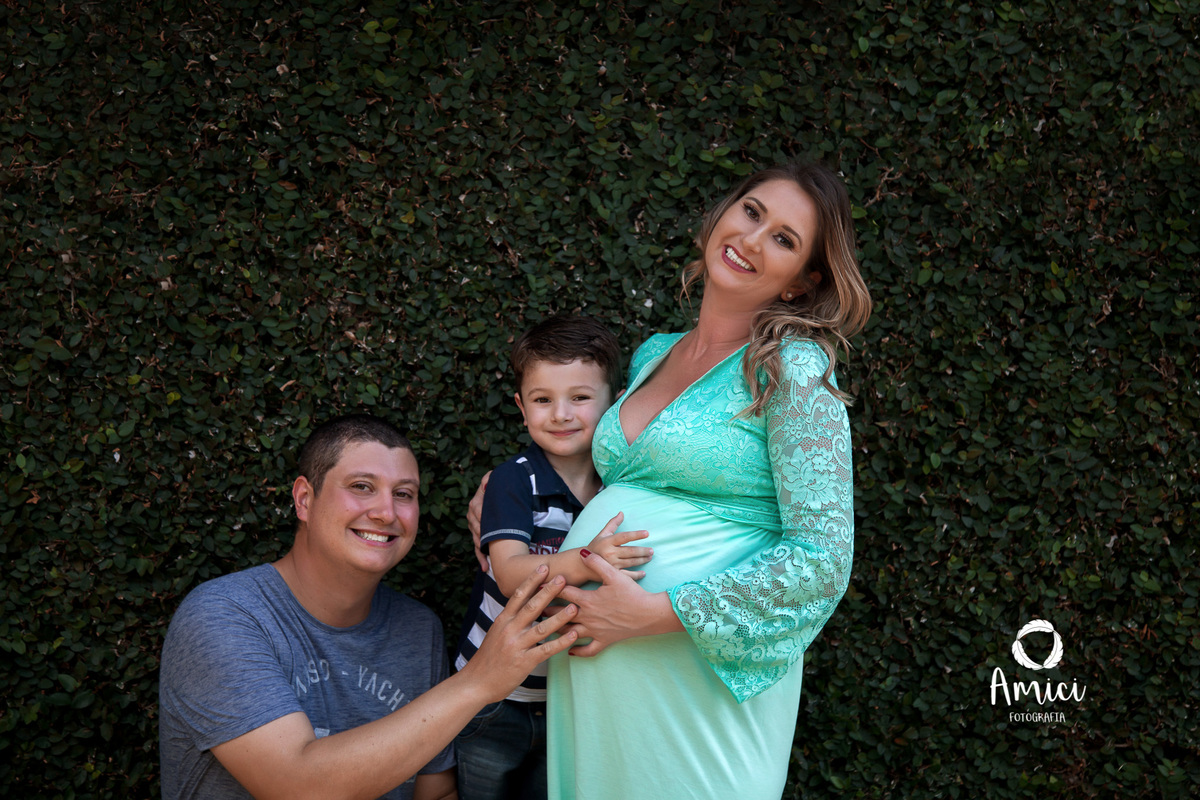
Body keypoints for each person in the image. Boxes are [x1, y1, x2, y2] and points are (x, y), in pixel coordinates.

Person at [546, 162, 872, 799]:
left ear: (803, 282)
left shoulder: (792, 368)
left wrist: (650, 613)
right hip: (599, 684)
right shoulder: (653, 353)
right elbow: (620, 482)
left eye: (783, 239)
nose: (751, 239)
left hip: (694, 690)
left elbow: (823, 558)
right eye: (751, 212)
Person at [158, 414, 580, 800]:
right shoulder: (224, 616)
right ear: (304, 499)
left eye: (404, 494)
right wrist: (479, 682)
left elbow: (435, 794)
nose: (385, 512)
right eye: (361, 486)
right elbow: (296, 785)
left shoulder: (418, 629)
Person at [453, 316, 652, 800]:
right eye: (543, 400)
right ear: (522, 408)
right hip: (493, 696)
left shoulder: (620, 489)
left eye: (579, 397)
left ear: (614, 402)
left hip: (570, 698)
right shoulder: (514, 480)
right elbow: (509, 575)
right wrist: (587, 560)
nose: (561, 414)